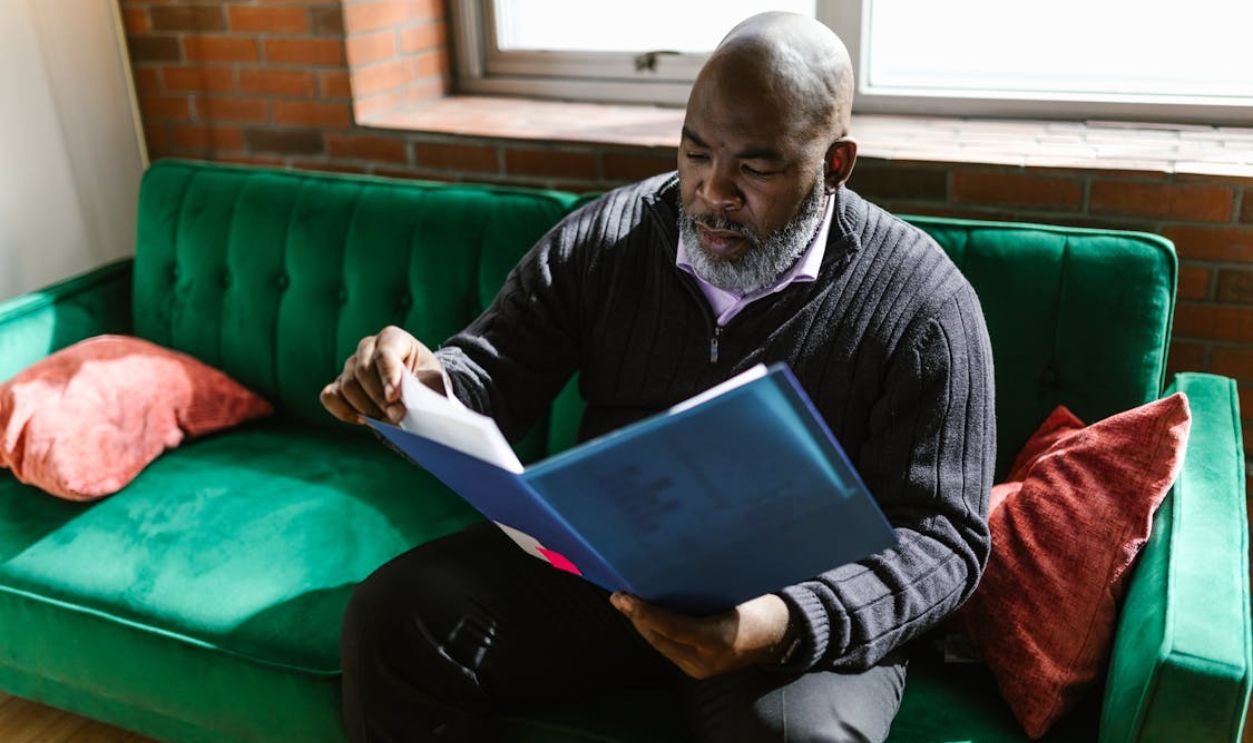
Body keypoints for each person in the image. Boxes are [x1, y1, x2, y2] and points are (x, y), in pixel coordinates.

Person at [320, 11, 995, 743]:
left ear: (835, 164)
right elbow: (492, 368)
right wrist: (412, 383)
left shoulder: (925, 305)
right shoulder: (609, 237)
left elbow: (945, 538)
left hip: (790, 609)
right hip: (606, 574)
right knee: (394, 618)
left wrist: (785, 623)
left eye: (755, 168)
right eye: (695, 151)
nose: (712, 192)